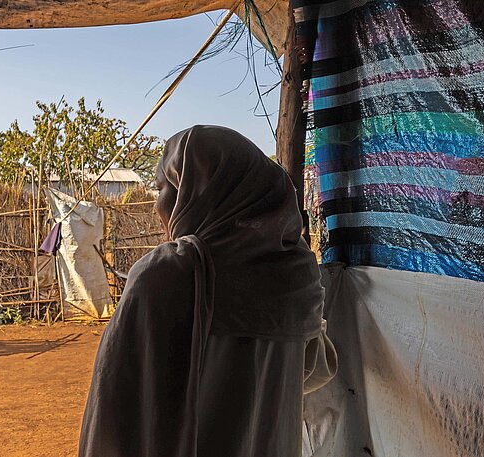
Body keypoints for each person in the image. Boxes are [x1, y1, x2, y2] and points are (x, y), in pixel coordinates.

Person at [78, 125, 336, 457]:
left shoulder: (168, 275)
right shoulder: (297, 277)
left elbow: (112, 413)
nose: (157, 206)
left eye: (163, 189)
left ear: (197, 192)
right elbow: (316, 369)